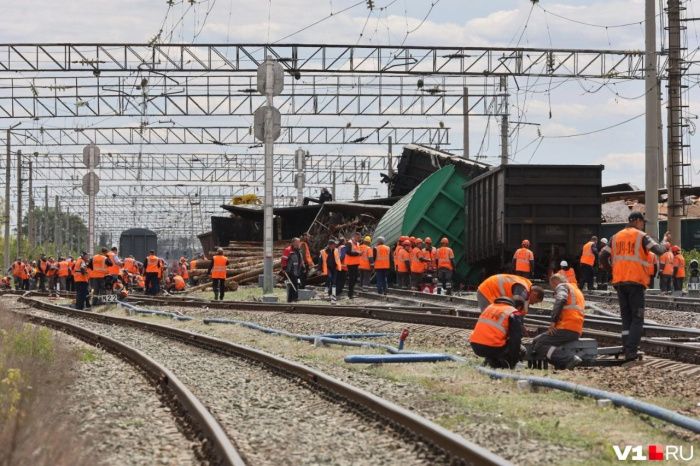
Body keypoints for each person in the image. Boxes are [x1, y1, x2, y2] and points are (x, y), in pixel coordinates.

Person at [599, 212, 666, 362]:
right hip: (635, 282)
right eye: (643, 222)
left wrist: (612, 272)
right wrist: (665, 244)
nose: (643, 225)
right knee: (637, 318)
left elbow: (602, 256)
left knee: (626, 318)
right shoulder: (641, 236)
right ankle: (631, 352)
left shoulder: (614, 237)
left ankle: (626, 346)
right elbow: (659, 251)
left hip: (620, 283)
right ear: (636, 221)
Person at [531, 273, 585, 369]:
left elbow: (560, 299)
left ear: (555, 283)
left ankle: (569, 359)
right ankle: (561, 365)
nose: (554, 290)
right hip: (575, 328)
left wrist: (553, 322)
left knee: (540, 344)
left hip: (566, 327)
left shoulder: (562, 287)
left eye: (553, 288)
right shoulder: (576, 290)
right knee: (536, 340)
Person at [469, 296, 526, 369]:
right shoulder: (513, 312)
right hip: (492, 348)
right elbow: (516, 339)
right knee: (522, 350)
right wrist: (513, 362)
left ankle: (491, 361)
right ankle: (506, 364)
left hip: (475, 346)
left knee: (499, 341)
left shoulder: (490, 307)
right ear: (519, 307)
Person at [476, 273, 545, 312]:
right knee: (489, 317)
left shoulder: (526, 287)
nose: (533, 304)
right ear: (534, 294)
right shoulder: (522, 291)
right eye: (535, 301)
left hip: (492, 291)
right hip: (487, 291)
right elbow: (515, 309)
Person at [282, 238, 305, 303]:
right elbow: (284, 259)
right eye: (297, 242)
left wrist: (303, 266)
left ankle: (290, 299)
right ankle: (294, 298)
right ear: (293, 243)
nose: (298, 244)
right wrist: (284, 267)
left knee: (296, 283)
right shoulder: (288, 250)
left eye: (299, 242)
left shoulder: (298, 250)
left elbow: (301, 259)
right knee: (293, 284)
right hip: (290, 270)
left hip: (297, 270)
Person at [320, 238, 341, 302]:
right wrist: (319, 269)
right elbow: (320, 261)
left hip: (334, 268)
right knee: (329, 278)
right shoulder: (323, 251)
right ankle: (327, 290)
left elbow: (338, 258)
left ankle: (333, 295)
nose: (335, 245)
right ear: (330, 245)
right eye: (334, 244)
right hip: (328, 268)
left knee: (334, 282)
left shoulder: (336, 250)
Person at [343, 232, 362, 299]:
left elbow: (356, 252)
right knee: (352, 279)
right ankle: (350, 294)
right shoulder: (349, 243)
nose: (359, 239)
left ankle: (351, 293)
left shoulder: (358, 244)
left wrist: (359, 253)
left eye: (359, 238)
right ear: (355, 236)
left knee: (354, 279)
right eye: (358, 237)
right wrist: (357, 253)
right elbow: (348, 252)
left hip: (356, 264)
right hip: (350, 264)